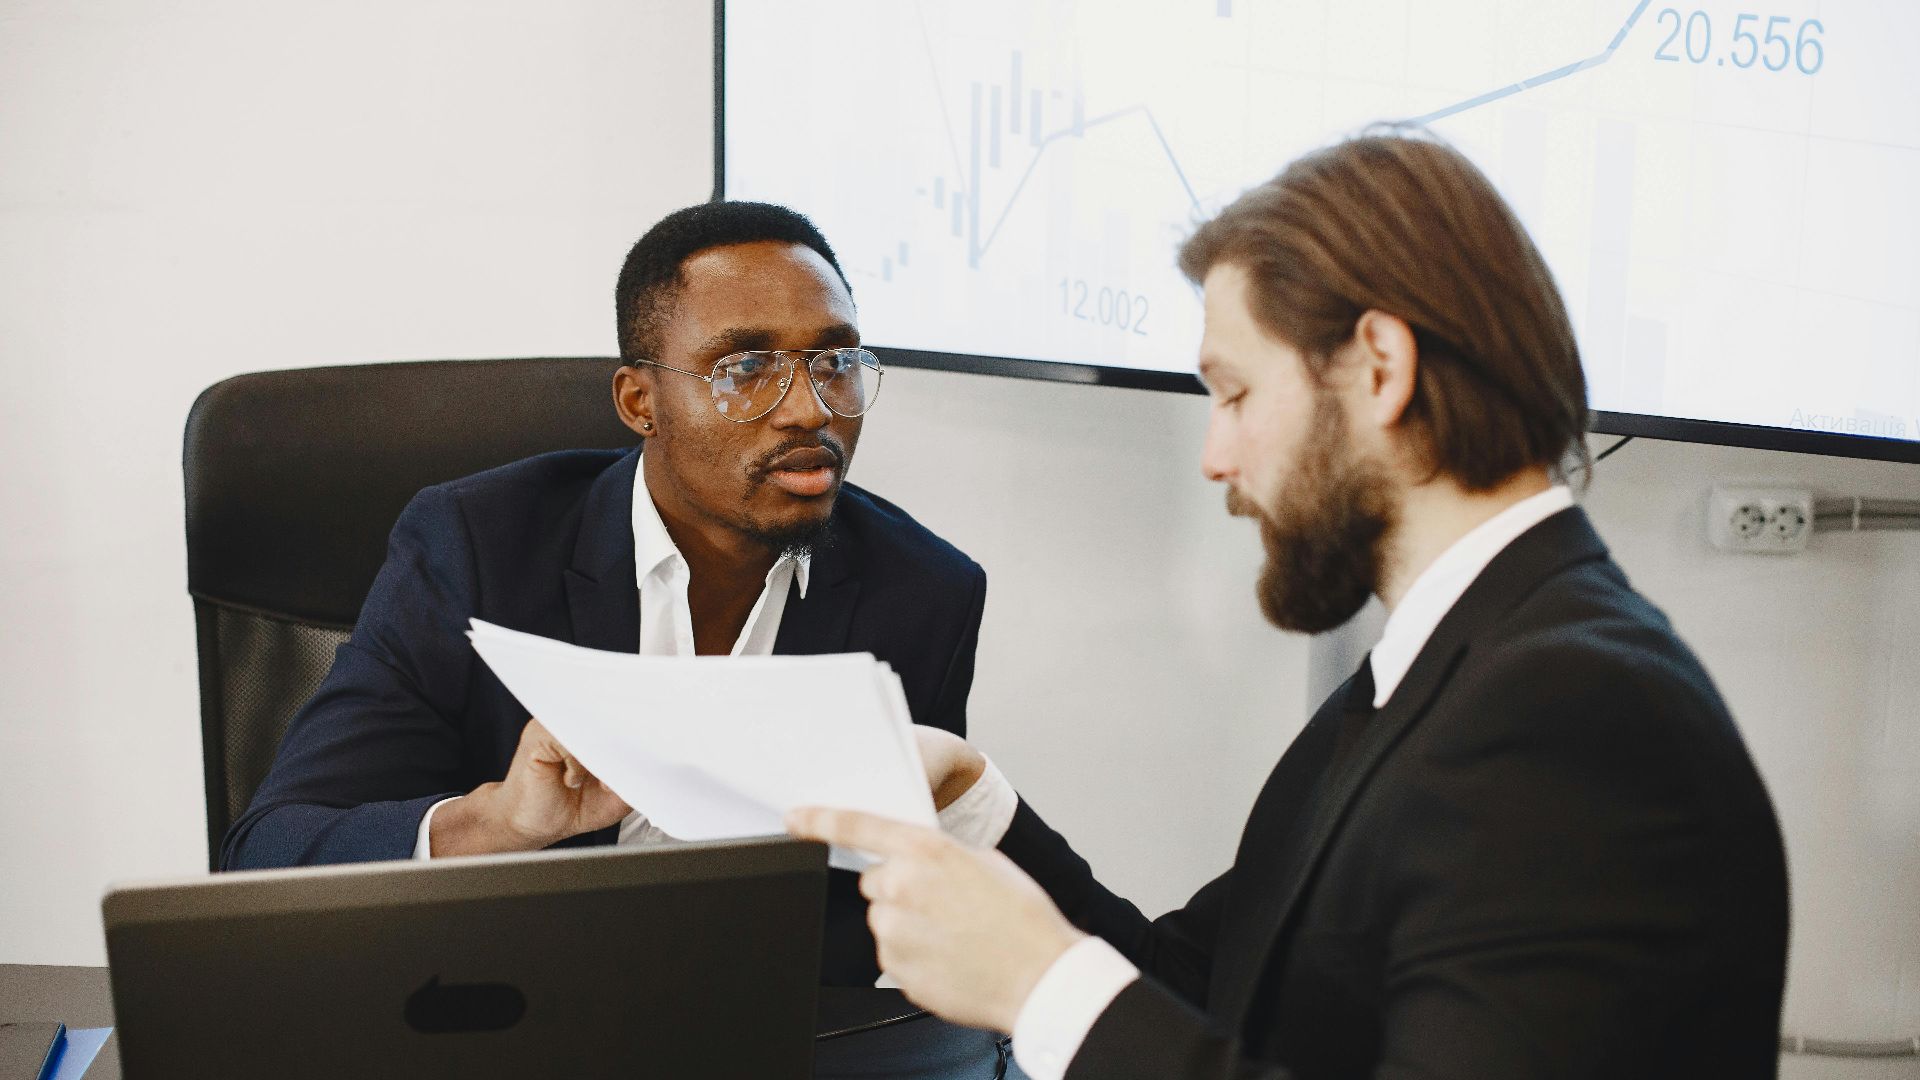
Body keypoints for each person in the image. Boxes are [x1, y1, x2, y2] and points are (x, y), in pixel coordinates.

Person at [792, 132, 1791, 1078]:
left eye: (1233, 394)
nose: (1216, 459)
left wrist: (1043, 984)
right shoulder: (1442, 682)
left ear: (1379, 370)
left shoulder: (1571, 715)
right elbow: (1203, 991)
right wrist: (971, 802)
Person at [224, 201, 990, 987]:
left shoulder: (926, 593)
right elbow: (268, 857)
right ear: (639, 402)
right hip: (516, 1012)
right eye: (746, 368)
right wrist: (500, 821)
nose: (809, 408)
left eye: (834, 362)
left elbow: (886, 904)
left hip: (771, 1027)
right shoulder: (474, 549)